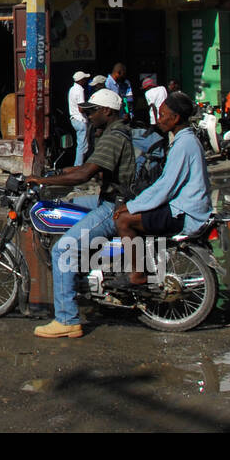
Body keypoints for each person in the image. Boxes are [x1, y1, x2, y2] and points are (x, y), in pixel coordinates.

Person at [29, 89, 137, 340]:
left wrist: (44, 180)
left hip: (113, 206)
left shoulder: (113, 137)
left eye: (92, 111)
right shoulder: (113, 132)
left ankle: (66, 319)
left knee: (62, 250)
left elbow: (84, 175)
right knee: (66, 205)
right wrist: (61, 170)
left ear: (107, 112)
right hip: (109, 199)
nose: (88, 115)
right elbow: (88, 168)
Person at [114, 91, 211, 284]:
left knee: (124, 220)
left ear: (175, 118)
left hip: (185, 212)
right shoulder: (186, 140)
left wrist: (132, 206)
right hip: (187, 206)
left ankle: (138, 275)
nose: (159, 120)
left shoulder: (184, 144)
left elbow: (166, 187)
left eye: (162, 115)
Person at [67, 71, 91, 166]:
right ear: (80, 80)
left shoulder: (72, 89)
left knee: (83, 145)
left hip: (74, 119)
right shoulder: (80, 90)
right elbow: (81, 108)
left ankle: (83, 164)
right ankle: (78, 166)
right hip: (80, 119)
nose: (85, 81)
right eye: (84, 79)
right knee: (82, 145)